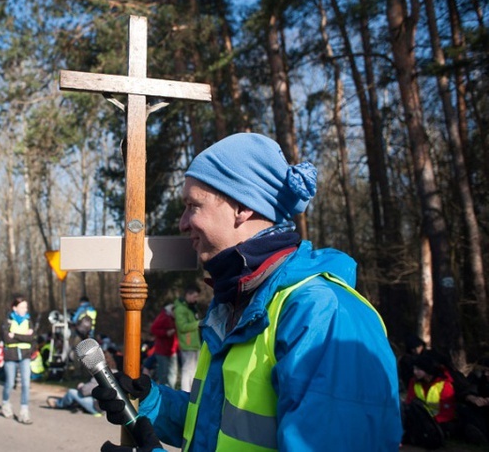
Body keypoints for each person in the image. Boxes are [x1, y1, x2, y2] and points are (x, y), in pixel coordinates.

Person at [92, 133, 402, 451]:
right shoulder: (234, 302)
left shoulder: (325, 315)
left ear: (241, 207)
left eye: (192, 206)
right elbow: (224, 426)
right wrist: (151, 403)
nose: (183, 224)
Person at [47, 350, 118, 416]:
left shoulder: (100, 374)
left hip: (98, 408)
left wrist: (81, 386)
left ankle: (57, 404)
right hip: (111, 408)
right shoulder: (116, 372)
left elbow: (84, 391)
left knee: (72, 392)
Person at [1, 295, 34, 424]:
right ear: (15, 308)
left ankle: (24, 411)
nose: (25, 309)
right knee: (9, 383)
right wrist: (23, 336)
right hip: (11, 355)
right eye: (22, 307)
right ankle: (5, 403)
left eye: (26, 307)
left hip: (25, 355)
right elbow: (7, 339)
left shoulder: (29, 321)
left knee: (26, 384)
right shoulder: (7, 321)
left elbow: (31, 338)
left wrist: (15, 335)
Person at [174, 285, 201, 391]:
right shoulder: (180, 309)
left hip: (194, 343)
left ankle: (192, 391)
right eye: (194, 296)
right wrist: (198, 323)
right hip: (188, 343)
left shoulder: (191, 308)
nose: (196, 299)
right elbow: (182, 327)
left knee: (193, 370)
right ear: (187, 295)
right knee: (187, 370)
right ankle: (185, 391)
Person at [149, 304, 178, 388]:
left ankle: (171, 390)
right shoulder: (164, 316)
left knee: (173, 373)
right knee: (164, 374)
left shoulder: (174, 318)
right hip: (162, 350)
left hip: (172, 350)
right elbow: (154, 329)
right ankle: (164, 392)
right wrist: (166, 333)